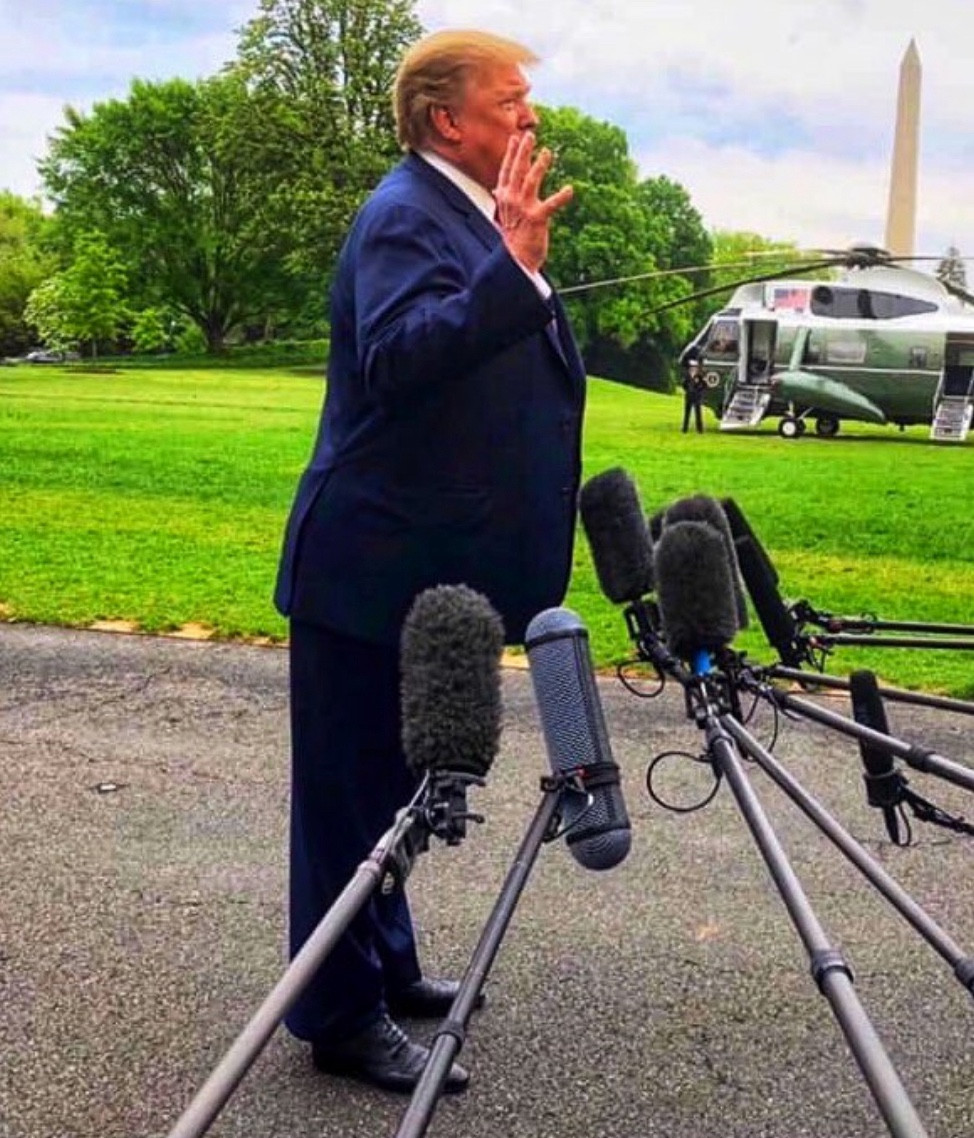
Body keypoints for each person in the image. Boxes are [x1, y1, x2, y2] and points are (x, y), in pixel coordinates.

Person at [273, 29, 586, 1095]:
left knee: (395, 793)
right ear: (445, 119)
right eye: (511, 103)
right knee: (346, 801)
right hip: (365, 572)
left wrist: (509, 266)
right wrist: (513, 272)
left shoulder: (459, 211)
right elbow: (399, 358)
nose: (528, 119)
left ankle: (386, 964)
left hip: (413, 575)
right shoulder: (405, 212)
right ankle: (337, 1014)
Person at [681, 356, 706, 433]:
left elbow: (704, 385)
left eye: (694, 368)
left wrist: (699, 390)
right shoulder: (687, 376)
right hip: (689, 396)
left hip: (697, 397)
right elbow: (684, 384)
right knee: (687, 413)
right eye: (692, 368)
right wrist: (687, 390)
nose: (693, 369)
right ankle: (685, 429)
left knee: (698, 413)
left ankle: (700, 429)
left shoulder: (699, 376)